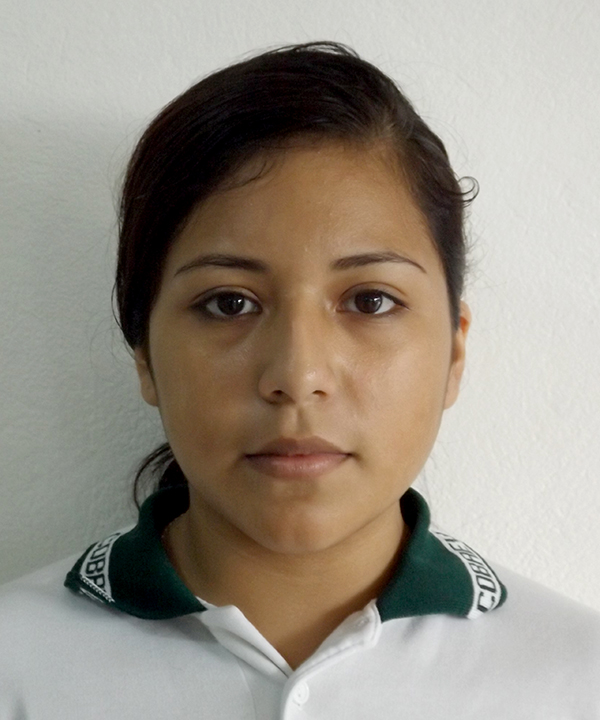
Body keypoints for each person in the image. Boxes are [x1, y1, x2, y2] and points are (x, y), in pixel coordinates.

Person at [1, 41, 599, 719]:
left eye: (370, 300)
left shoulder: (577, 679)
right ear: (144, 355)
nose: (298, 375)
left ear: (454, 352)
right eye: (230, 303)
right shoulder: (15, 666)